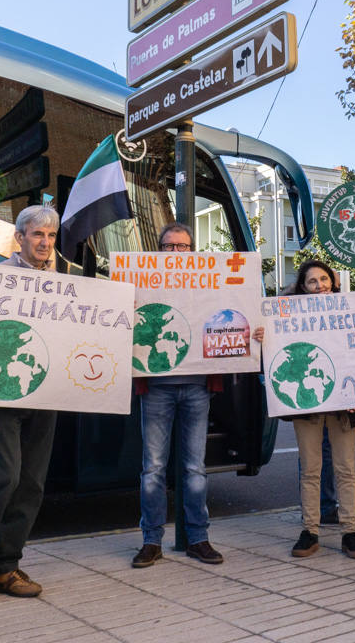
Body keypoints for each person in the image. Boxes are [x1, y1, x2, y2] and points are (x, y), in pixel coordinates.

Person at [0, 205, 68, 608]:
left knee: (33, 483)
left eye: (51, 236)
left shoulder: (65, 283)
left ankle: (5, 567)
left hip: (46, 392)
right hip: (2, 393)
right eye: (37, 234)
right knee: (2, 478)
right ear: (19, 238)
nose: (45, 243)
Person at [257, 260, 355, 559]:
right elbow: (276, 353)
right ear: (302, 287)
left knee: (346, 468)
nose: (320, 285)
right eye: (312, 282)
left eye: (324, 279)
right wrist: (264, 338)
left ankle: (350, 531)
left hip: (345, 403)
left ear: (333, 281)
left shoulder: (350, 311)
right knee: (310, 469)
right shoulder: (287, 316)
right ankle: (310, 531)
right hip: (308, 403)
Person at [131, 221, 225, 568]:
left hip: (198, 386)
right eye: (169, 247)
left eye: (182, 247)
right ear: (159, 251)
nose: (175, 253)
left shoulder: (208, 287)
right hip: (156, 387)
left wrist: (252, 330)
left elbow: (231, 317)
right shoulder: (140, 284)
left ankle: (198, 539)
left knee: (194, 468)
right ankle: (151, 541)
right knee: (153, 468)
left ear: (192, 252)